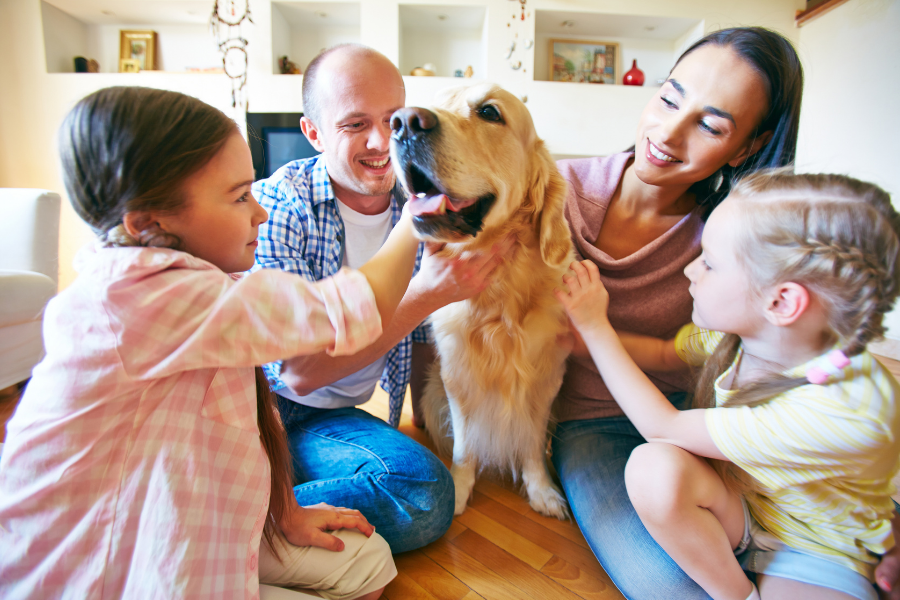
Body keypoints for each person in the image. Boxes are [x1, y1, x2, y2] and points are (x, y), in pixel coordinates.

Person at [0, 86, 424, 599]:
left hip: (194, 507)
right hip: (104, 566)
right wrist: (417, 217)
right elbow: (346, 312)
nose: (259, 214)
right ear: (149, 224)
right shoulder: (136, 296)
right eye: (240, 195)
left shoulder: (191, 286)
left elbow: (249, 422)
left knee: (368, 563)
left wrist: (282, 510)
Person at [556, 170, 900, 600]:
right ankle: (735, 592)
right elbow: (664, 354)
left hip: (814, 550)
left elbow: (663, 426)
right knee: (654, 469)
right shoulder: (742, 336)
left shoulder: (847, 409)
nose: (691, 268)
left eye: (711, 262)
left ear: (781, 302)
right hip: (741, 504)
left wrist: (594, 327)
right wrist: (571, 339)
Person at [550, 27, 803, 598]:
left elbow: (701, 359)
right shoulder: (554, 191)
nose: (667, 133)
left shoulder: (729, 239)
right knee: (676, 589)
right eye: (668, 98)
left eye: (710, 125)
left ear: (744, 149)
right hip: (597, 427)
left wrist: (589, 331)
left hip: (706, 425)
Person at [251, 44, 509, 553]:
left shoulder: (420, 199)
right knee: (420, 494)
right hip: (267, 414)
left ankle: (263, 510)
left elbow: (424, 341)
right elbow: (298, 374)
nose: (379, 142)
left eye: (392, 122)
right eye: (353, 125)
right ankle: (247, 512)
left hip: (335, 417)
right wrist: (425, 295)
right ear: (314, 133)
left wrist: (432, 431)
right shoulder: (277, 207)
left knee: (423, 488)